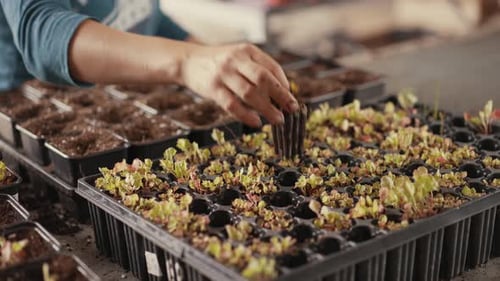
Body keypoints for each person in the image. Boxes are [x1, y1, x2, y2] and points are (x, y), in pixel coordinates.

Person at [0, 0, 299, 128]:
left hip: (117, 84)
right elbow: (43, 36)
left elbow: (141, 13)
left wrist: (203, 52)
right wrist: (186, 61)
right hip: (29, 110)